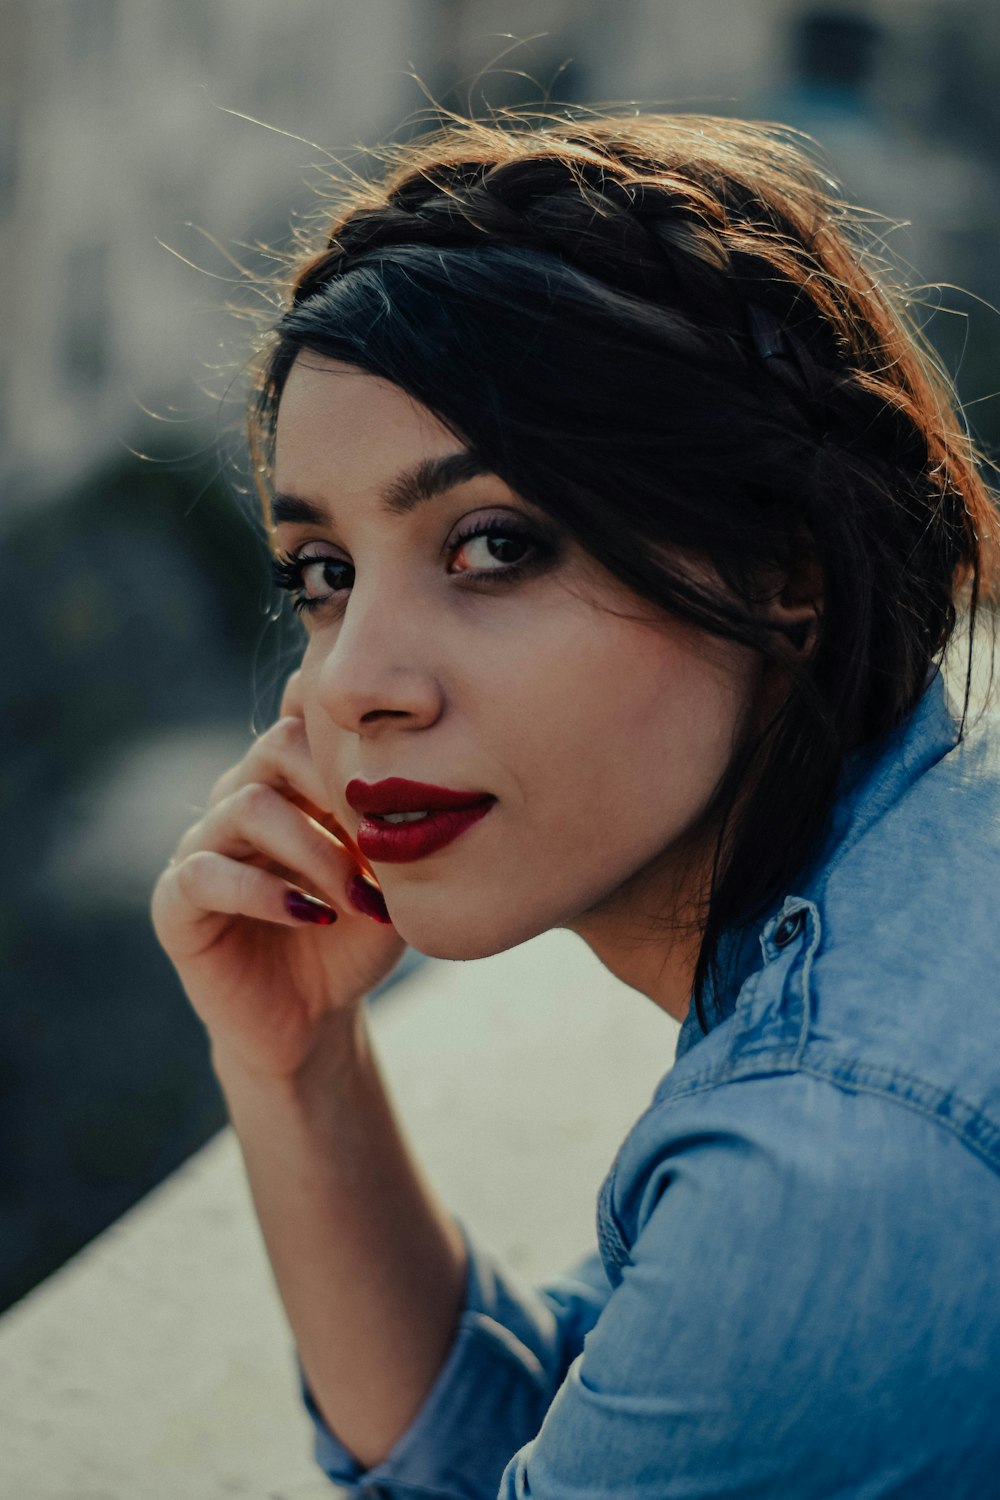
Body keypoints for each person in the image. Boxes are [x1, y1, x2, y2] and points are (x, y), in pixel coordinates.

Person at [151, 113, 1000, 1497]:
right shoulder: (903, 869)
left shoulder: (837, 1154)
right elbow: (575, 1421)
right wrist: (296, 1062)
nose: (351, 683)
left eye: (493, 546)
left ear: (781, 571)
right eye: (323, 573)